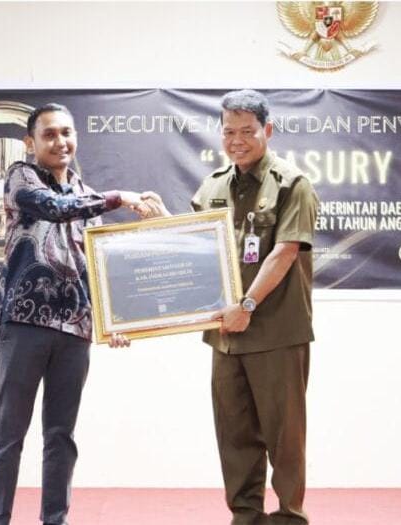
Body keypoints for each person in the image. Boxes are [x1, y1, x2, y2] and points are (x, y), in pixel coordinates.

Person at [147, 90, 318, 524]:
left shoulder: (292, 184)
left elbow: (285, 251)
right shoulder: (213, 185)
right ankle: (246, 516)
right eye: (228, 132)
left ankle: (290, 516)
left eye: (247, 131)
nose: (236, 140)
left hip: (276, 333)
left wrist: (247, 304)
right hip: (225, 336)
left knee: (284, 437)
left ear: (267, 130)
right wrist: (162, 222)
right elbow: (194, 247)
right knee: (235, 435)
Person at [0, 103, 149, 525]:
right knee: (10, 433)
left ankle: (55, 519)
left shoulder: (82, 191)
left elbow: (92, 264)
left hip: (75, 329)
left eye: (66, 133)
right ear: (31, 142)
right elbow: (55, 208)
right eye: (49, 134)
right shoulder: (21, 177)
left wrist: (112, 322)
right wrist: (118, 197)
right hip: (24, 324)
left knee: (61, 436)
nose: (60, 142)